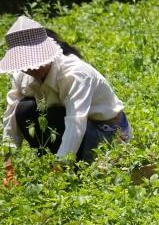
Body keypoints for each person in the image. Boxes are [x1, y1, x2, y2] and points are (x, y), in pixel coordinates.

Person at [1, 16, 132, 185]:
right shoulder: (22, 76)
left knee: (56, 115)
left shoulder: (75, 74)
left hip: (107, 132)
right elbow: (10, 119)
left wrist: (58, 173)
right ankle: (57, 163)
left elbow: (75, 124)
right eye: (25, 64)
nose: (31, 68)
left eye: (35, 61)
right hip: (68, 127)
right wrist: (9, 169)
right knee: (25, 109)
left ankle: (67, 170)